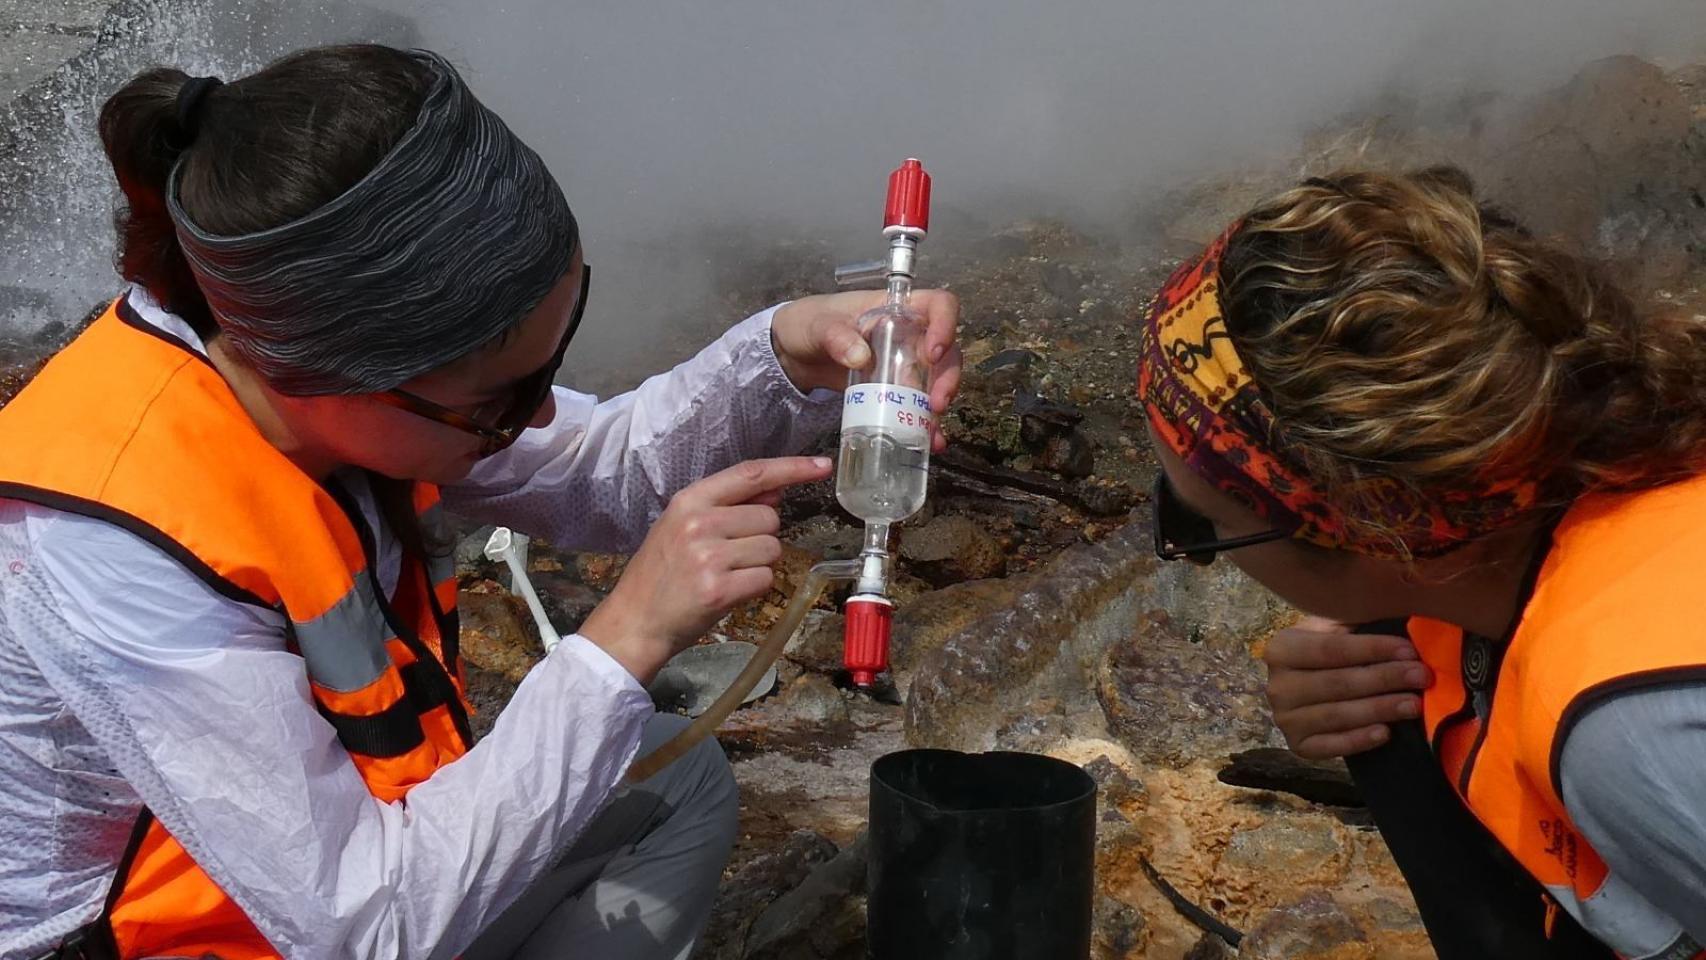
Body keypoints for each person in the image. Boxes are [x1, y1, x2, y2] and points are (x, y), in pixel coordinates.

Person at [0, 44, 961, 960]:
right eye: (497, 399)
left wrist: (786, 354)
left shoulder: (291, 361)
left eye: (552, 354)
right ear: (328, 376)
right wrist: (620, 644)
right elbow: (362, 930)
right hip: (204, 936)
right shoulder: (111, 546)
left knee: (673, 779)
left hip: (329, 897)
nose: (537, 409)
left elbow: (606, 471)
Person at [1138, 166, 1706, 959]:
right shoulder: (1621, 443)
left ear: (1376, 532)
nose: (1192, 546)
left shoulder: (1630, 730)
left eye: (1199, 529)